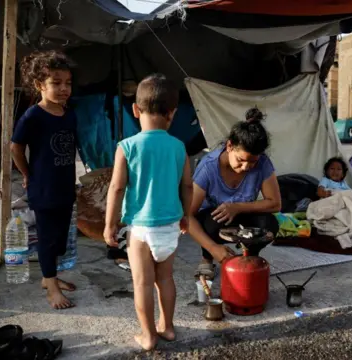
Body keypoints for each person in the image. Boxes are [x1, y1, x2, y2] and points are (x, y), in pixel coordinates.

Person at [103, 74, 192, 350]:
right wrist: (186, 215)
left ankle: (148, 335)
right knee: (165, 278)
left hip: (140, 228)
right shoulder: (179, 147)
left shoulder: (127, 147)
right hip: (170, 226)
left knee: (142, 283)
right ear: (172, 113)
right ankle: (167, 327)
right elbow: (187, 185)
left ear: (135, 110)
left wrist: (109, 225)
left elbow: (116, 188)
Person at [10, 51, 78, 310]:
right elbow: (15, 148)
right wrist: (28, 175)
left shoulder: (69, 114)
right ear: (40, 85)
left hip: (65, 186)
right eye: (56, 83)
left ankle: (49, 277)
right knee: (48, 238)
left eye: (68, 83)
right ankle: (51, 287)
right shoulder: (33, 117)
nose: (64, 89)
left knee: (61, 239)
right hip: (44, 188)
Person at [189, 107, 281, 280]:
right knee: (213, 220)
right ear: (229, 146)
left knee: (269, 223)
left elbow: (275, 203)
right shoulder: (208, 167)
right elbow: (187, 216)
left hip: (242, 215)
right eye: (241, 160)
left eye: (253, 162)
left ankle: (249, 256)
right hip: (213, 221)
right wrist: (212, 247)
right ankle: (207, 258)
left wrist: (237, 207)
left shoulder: (263, 163)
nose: (246, 167)